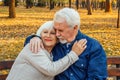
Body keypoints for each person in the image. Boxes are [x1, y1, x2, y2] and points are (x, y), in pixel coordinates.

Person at [24, 8, 108, 80]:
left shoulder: (92, 47)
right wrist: (35, 38)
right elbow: (28, 44)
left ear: (75, 28)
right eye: (55, 30)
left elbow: (97, 77)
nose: (57, 34)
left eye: (60, 30)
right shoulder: (54, 43)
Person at [6, 21, 87, 80]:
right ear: (40, 35)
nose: (48, 36)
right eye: (45, 32)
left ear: (58, 38)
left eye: (52, 33)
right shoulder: (34, 47)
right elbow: (51, 70)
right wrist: (74, 54)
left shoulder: (52, 54)